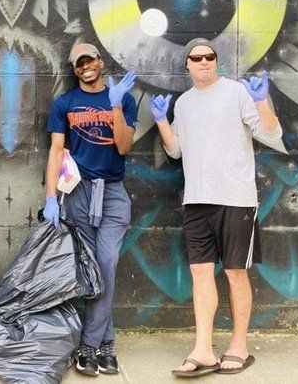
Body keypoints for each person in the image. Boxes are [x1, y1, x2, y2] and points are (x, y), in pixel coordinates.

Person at [151, 38, 282, 377]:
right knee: (201, 273)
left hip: (236, 199)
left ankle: (239, 346)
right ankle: (203, 350)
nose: (204, 62)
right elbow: (176, 151)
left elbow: (271, 133)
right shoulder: (184, 103)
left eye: (209, 57)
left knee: (237, 272)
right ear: (187, 66)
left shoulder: (237, 93)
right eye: (197, 58)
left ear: (216, 61)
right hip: (196, 200)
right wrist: (162, 121)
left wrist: (261, 100)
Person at [43, 43, 137, 377]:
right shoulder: (65, 103)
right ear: (75, 68)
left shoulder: (123, 98)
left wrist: (115, 108)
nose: (85, 66)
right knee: (93, 268)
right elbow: (56, 151)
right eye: (79, 62)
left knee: (106, 261)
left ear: (100, 61)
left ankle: (88, 346)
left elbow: (124, 146)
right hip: (78, 191)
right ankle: (107, 346)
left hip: (112, 193)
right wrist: (50, 197)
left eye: (90, 59)